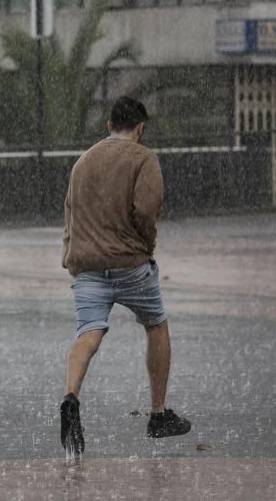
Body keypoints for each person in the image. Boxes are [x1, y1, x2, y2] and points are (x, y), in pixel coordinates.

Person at [59, 96, 191, 458]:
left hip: (87, 266)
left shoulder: (83, 162)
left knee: (88, 331)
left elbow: (70, 214)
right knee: (156, 324)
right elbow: (146, 210)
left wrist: (72, 253)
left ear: (108, 126)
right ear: (140, 128)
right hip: (131, 264)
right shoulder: (143, 158)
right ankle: (158, 414)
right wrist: (145, 245)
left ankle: (71, 396)